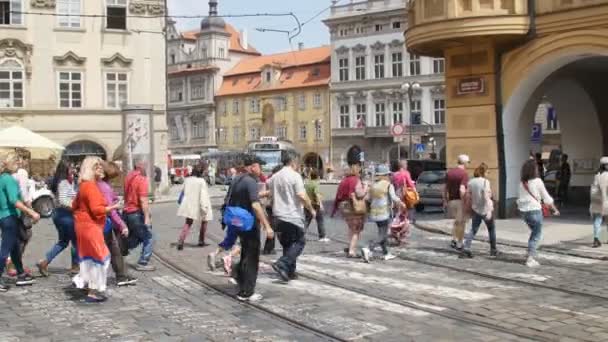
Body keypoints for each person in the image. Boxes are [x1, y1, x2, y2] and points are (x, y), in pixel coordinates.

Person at [71, 157, 119, 302]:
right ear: (90, 169)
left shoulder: (84, 185)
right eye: (96, 166)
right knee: (102, 258)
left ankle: (87, 285)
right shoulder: (91, 187)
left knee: (90, 258)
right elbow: (97, 210)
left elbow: (74, 206)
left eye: (100, 165)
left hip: (83, 226)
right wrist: (114, 207)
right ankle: (86, 284)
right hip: (91, 227)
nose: (101, 168)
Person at [229, 155, 273, 301]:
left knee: (245, 253)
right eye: (259, 166)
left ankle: (240, 280)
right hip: (249, 223)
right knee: (252, 256)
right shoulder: (251, 181)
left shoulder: (236, 180)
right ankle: (247, 292)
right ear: (253, 167)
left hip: (237, 222)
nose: (261, 170)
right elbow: (255, 205)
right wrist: (267, 226)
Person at [268, 154, 315, 282]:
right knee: (300, 242)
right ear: (293, 162)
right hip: (292, 215)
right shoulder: (295, 176)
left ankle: (288, 272)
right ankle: (282, 263)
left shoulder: (274, 177)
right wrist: (311, 209)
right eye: (298, 163)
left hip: (277, 216)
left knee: (288, 244)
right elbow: (301, 195)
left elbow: (269, 192)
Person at [0, 152, 40, 291]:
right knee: (5, 249)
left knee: (15, 247)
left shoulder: (2, 178)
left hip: (5, 217)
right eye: (17, 162)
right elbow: (14, 200)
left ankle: (21, 274)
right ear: (10, 163)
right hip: (9, 217)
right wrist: (32, 212)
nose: (20, 164)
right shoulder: (9, 180)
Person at [98, 161, 137, 286]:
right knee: (112, 250)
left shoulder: (100, 185)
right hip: (105, 224)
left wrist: (114, 197)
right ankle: (120, 276)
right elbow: (111, 210)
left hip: (100, 223)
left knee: (112, 250)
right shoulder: (104, 187)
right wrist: (122, 225)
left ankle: (121, 275)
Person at [37, 161, 79, 277]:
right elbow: (63, 201)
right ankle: (75, 266)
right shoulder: (64, 182)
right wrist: (76, 208)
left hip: (58, 215)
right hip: (66, 215)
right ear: (65, 170)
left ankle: (44, 261)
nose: (73, 170)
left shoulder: (58, 181)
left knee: (63, 242)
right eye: (71, 168)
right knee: (76, 242)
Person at [517, 159, 559, 268]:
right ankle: (530, 258)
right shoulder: (537, 181)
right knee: (537, 235)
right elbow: (546, 198)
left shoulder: (522, 183)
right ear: (533, 169)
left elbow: (520, 197)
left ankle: (530, 251)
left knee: (534, 232)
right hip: (534, 210)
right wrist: (554, 209)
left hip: (524, 212)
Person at [362, 164, 404, 262]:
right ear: (385, 175)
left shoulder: (373, 186)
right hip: (384, 213)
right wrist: (401, 203)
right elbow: (394, 198)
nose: (389, 176)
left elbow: (367, 199)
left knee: (382, 233)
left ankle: (386, 253)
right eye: (388, 175)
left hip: (374, 214)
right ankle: (368, 248)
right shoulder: (388, 185)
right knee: (383, 235)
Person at [123, 157, 155, 271]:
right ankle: (143, 262)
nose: (146, 167)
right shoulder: (141, 179)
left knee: (135, 237)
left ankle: (120, 250)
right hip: (136, 213)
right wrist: (147, 217)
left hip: (126, 213)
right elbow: (143, 200)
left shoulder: (128, 177)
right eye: (145, 165)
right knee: (149, 237)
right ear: (140, 165)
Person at [461, 163, 498, 258]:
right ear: (484, 172)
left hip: (475, 209)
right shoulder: (486, 182)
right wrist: (489, 210)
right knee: (491, 229)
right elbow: (486, 197)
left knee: (473, 229)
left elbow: (468, 196)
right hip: (485, 209)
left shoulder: (471, 182)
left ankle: (466, 248)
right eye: (488, 171)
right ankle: (493, 250)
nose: (488, 173)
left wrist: (467, 209)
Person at [332, 163, 368, 258]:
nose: (360, 174)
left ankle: (350, 246)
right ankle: (352, 251)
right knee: (356, 230)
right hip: (353, 207)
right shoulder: (356, 180)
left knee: (351, 228)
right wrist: (366, 188)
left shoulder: (344, 181)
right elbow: (360, 194)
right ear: (356, 172)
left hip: (344, 208)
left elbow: (339, 195)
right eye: (359, 172)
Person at [176, 163, 212, 250]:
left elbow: (183, 192)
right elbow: (203, 196)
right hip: (200, 204)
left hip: (190, 205)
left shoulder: (187, 180)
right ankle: (201, 240)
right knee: (204, 221)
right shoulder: (201, 181)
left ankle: (181, 240)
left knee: (188, 223)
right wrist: (205, 207)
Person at [444, 154, 471, 250]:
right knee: (461, 223)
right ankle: (460, 243)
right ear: (464, 163)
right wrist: (465, 202)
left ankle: (454, 239)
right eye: (468, 162)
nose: (468, 164)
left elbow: (445, 188)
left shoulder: (450, 172)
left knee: (456, 221)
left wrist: (445, 200)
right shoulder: (464, 174)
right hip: (460, 201)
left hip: (451, 201)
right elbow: (462, 189)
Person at [305, 169, 329, 242]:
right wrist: (320, 204)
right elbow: (317, 194)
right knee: (320, 220)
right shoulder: (316, 184)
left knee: (306, 220)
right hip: (315, 204)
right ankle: (322, 236)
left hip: (308, 204)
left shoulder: (307, 184)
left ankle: (300, 234)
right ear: (318, 177)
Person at [589, 157, 608, 248]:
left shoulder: (597, 175)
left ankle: (596, 239)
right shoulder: (607, 175)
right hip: (605, 199)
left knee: (597, 220)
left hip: (595, 200)